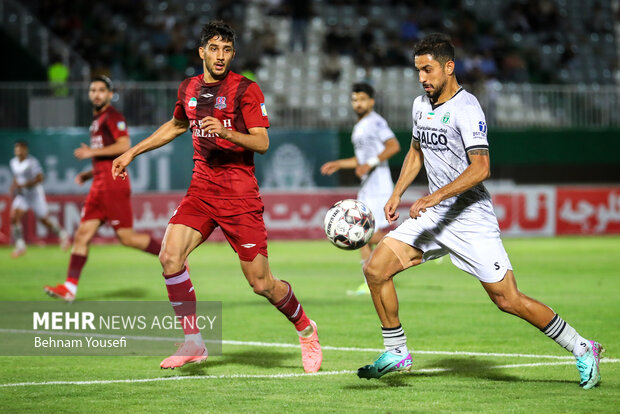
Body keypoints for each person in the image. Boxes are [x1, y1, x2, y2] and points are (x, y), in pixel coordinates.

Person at [356, 34, 603, 390]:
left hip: (470, 217)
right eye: (418, 71)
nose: (422, 77)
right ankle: (396, 351)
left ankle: (583, 347)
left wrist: (434, 195)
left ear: (448, 67)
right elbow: (416, 152)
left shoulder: (467, 108)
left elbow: (481, 168)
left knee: (508, 299)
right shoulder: (419, 105)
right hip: (434, 215)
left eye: (428, 69)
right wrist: (397, 193)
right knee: (376, 269)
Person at [111, 21, 322, 372]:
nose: (220, 55)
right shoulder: (188, 88)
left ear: (233, 54)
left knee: (261, 283)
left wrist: (227, 131)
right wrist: (133, 152)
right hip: (201, 192)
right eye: (214, 48)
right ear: (202, 52)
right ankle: (193, 342)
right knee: (169, 257)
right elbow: (177, 125)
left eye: (226, 49)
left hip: (239, 197)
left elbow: (262, 142)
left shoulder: (246, 90)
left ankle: (305, 328)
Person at [44, 76, 162, 302]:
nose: (96, 94)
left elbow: (123, 145)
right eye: (93, 90)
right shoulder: (97, 120)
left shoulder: (113, 117)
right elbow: (107, 155)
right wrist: (90, 173)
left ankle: (170, 255)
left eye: (101, 90)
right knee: (82, 235)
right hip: (99, 185)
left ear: (109, 94)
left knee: (126, 238)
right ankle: (69, 288)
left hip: (112, 186)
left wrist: (91, 153)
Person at [321, 82, 400, 295]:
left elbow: (393, 146)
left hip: (379, 185)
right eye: (355, 100)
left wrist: (370, 164)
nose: (358, 103)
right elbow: (362, 159)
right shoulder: (359, 126)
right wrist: (340, 163)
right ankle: (370, 280)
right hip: (367, 186)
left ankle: (410, 244)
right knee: (361, 235)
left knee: (363, 233)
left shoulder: (376, 122)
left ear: (372, 102)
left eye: (363, 99)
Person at [9, 141, 69, 258]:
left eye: (20, 149)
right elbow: (17, 177)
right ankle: (20, 246)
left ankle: (63, 235)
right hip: (23, 196)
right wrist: (14, 186)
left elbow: (40, 178)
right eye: (16, 149)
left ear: (26, 150)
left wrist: (24, 185)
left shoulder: (32, 162)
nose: (18, 151)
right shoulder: (13, 163)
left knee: (44, 221)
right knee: (14, 216)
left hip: (35, 195)